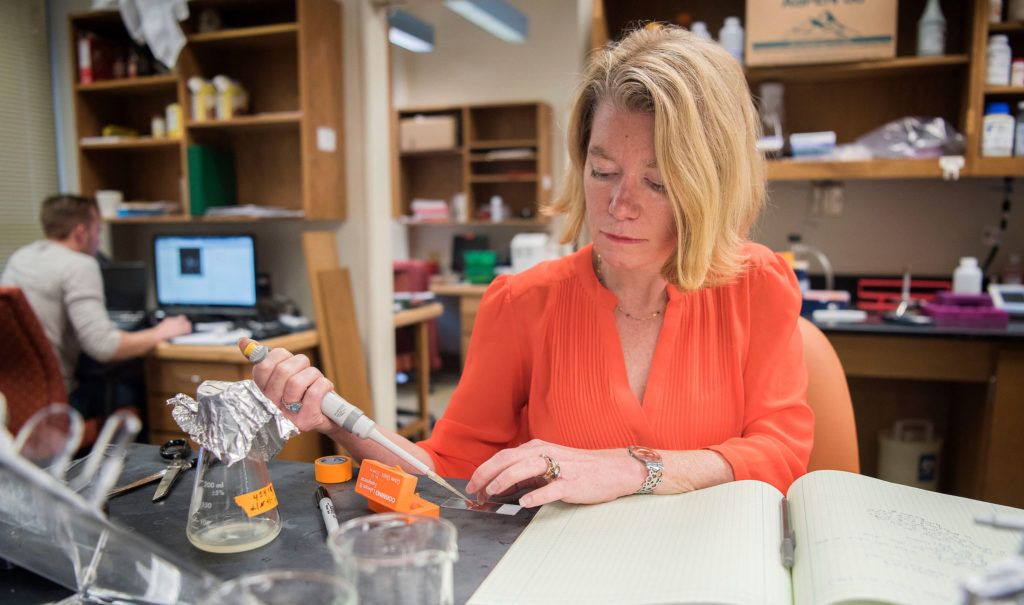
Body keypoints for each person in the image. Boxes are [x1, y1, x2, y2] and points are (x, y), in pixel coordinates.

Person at [243, 24, 813, 507]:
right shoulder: (522, 304)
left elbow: (782, 453)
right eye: (603, 170)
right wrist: (333, 420)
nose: (618, 207)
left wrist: (633, 469)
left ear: (708, 188)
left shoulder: (756, 284)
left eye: (658, 183)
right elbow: (447, 478)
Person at [1, 194, 192, 417]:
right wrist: (161, 331)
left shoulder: (21, 257)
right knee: (130, 388)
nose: (97, 240)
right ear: (81, 232)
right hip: (58, 403)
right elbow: (104, 347)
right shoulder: (79, 265)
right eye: (97, 231)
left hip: (11, 401)